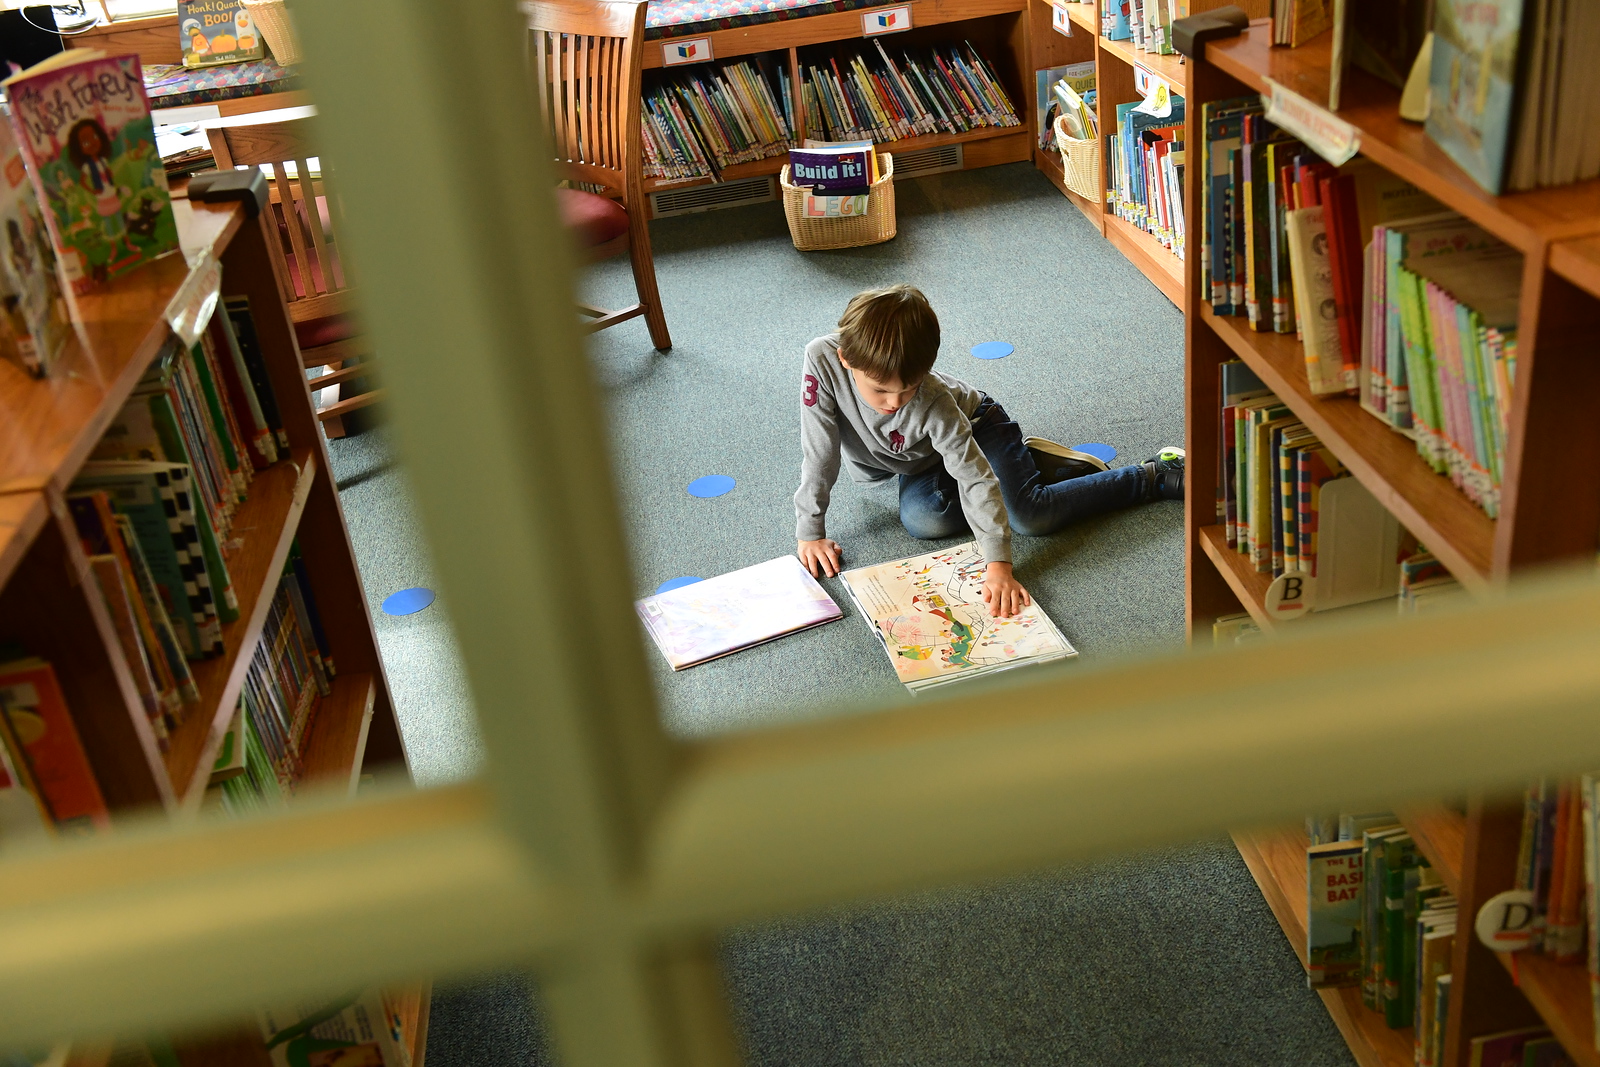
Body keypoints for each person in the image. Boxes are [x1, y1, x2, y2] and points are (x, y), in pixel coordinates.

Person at [794, 284, 1184, 618]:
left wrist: (998, 565)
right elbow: (820, 451)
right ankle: (1026, 467)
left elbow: (973, 476)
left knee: (1030, 517)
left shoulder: (934, 399)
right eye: (881, 390)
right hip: (922, 457)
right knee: (923, 521)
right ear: (846, 359)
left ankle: (1152, 476)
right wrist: (811, 532)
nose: (895, 402)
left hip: (979, 426)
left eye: (909, 388)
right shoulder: (823, 360)